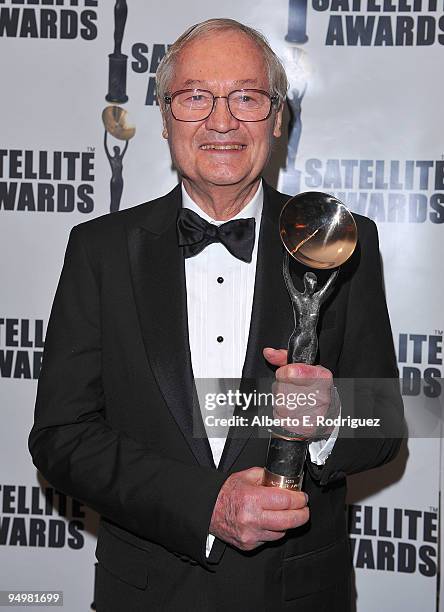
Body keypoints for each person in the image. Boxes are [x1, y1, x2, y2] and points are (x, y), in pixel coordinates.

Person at [29, 18, 404, 612]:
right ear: (165, 117)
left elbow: (383, 426)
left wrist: (330, 419)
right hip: (148, 594)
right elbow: (62, 436)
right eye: (196, 96)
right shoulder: (98, 249)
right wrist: (205, 504)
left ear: (277, 118)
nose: (222, 120)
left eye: (248, 97)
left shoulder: (343, 242)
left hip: (299, 596)